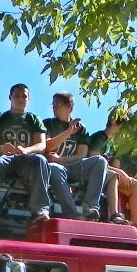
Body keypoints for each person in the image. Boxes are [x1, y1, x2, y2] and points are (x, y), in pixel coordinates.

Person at [0, 83, 51, 228]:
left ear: (29, 99)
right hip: (4, 158)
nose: (20, 99)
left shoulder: (34, 119)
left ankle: (39, 210)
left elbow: (41, 145)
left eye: (24, 96)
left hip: (26, 159)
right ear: (10, 98)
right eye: (16, 95)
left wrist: (27, 150)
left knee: (40, 159)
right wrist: (1, 148)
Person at [43, 91, 108, 220]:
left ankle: (90, 207)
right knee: (55, 168)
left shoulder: (81, 129)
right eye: (53, 104)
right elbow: (47, 146)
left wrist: (60, 159)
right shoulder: (48, 123)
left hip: (74, 167)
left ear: (69, 106)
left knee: (100, 161)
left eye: (58, 104)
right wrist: (68, 133)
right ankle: (72, 213)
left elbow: (81, 155)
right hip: (54, 169)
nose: (54, 107)